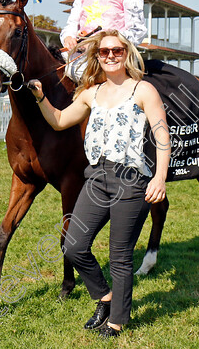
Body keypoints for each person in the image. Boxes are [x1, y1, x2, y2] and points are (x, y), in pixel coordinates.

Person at [28, 30, 170, 339]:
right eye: (103, 52)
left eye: (116, 50)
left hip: (131, 180)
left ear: (126, 52)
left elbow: (162, 136)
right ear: (97, 57)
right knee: (73, 245)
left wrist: (159, 177)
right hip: (95, 177)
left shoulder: (143, 90)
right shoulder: (91, 92)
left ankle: (118, 320)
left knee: (119, 256)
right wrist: (40, 97)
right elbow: (59, 120)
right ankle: (105, 297)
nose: (109, 56)